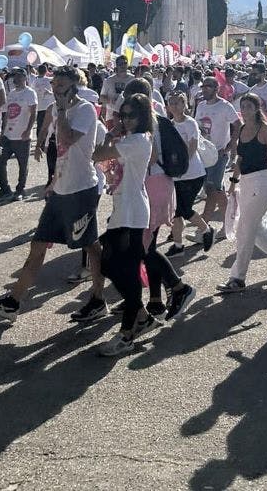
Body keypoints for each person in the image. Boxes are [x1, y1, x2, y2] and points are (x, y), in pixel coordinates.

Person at [0, 66, 103, 320]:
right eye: (54, 85)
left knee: (91, 246)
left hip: (81, 190)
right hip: (61, 189)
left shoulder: (84, 110)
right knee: (38, 243)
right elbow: (61, 152)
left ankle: (98, 299)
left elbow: (69, 140)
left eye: (60, 85)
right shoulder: (62, 112)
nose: (55, 89)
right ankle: (14, 301)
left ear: (74, 85)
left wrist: (59, 110)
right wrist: (53, 181)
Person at [89, 93, 161, 355]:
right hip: (124, 209)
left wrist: (112, 133)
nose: (126, 120)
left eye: (131, 115)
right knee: (109, 265)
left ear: (142, 117)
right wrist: (116, 132)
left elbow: (97, 154)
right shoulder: (130, 140)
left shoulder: (138, 140)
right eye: (123, 115)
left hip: (132, 212)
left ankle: (127, 334)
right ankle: (141, 316)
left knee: (126, 272)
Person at [217, 93, 267, 293]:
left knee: (245, 228)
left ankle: (237, 277)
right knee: (254, 228)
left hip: (262, 181)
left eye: (248, 106)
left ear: (257, 108)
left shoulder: (265, 130)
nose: (244, 110)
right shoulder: (242, 129)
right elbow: (240, 159)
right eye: (242, 106)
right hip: (245, 182)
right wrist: (233, 182)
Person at [165, 91, 214, 255]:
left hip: (192, 174)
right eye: (171, 102)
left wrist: (179, 164)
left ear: (185, 104)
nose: (174, 105)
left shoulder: (190, 123)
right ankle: (178, 245)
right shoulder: (170, 125)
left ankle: (206, 230)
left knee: (184, 210)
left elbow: (191, 148)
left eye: (178, 102)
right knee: (176, 212)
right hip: (176, 175)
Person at [193, 76, 239, 234]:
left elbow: (238, 125)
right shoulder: (201, 106)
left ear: (216, 88)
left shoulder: (225, 106)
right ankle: (228, 224)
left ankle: (204, 227)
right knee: (217, 190)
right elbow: (197, 127)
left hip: (219, 154)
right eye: (203, 86)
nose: (204, 89)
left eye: (208, 86)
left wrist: (230, 145)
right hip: (204, 154)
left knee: (212, 189)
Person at [0, 68, 37, 202]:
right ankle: (5, 189)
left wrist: (28, 130)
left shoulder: (30, 93)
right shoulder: (11, 93)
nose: (15, 79)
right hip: (8, 135)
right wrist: (2, 131)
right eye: (14, 77)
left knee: (22, 165)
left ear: (24, 78)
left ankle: (20, 190)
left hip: (22, 136)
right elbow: (6, 113)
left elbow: (34, 112)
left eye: (18, 77)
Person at [99, 55, 134, 121]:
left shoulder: (133, 79)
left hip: (128, 117)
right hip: (111, 116)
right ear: (117, 66)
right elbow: (101, 98)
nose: (123, 66)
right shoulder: (109, 80)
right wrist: (111, 100)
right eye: (120, 64)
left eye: (125, 63)